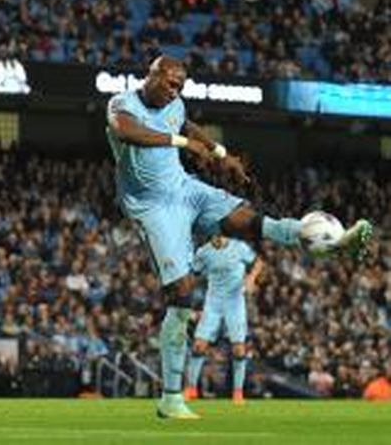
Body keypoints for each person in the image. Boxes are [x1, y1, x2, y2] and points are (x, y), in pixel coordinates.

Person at [105, 55, 372, 419]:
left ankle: (325, 244)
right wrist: (183, 143)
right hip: (152, 205)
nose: (174, 91)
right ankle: (171, 398)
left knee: (249, 220)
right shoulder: (122, 103)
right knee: (181, 294)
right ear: (151, 75)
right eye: (169, 83)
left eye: (180, 86)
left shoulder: (175, 104)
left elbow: (186, 122)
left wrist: (220, 152)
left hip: (186, 189)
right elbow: (126, 131)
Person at [184, 236, 263, 404]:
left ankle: (238, 393)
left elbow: (258, 262)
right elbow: (194, 272)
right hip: (213, 302)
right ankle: (191, 389)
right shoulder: (204, 252)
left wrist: (251, 278)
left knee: (239, 349)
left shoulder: (239, 247)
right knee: (199, 346)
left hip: (235, 302)